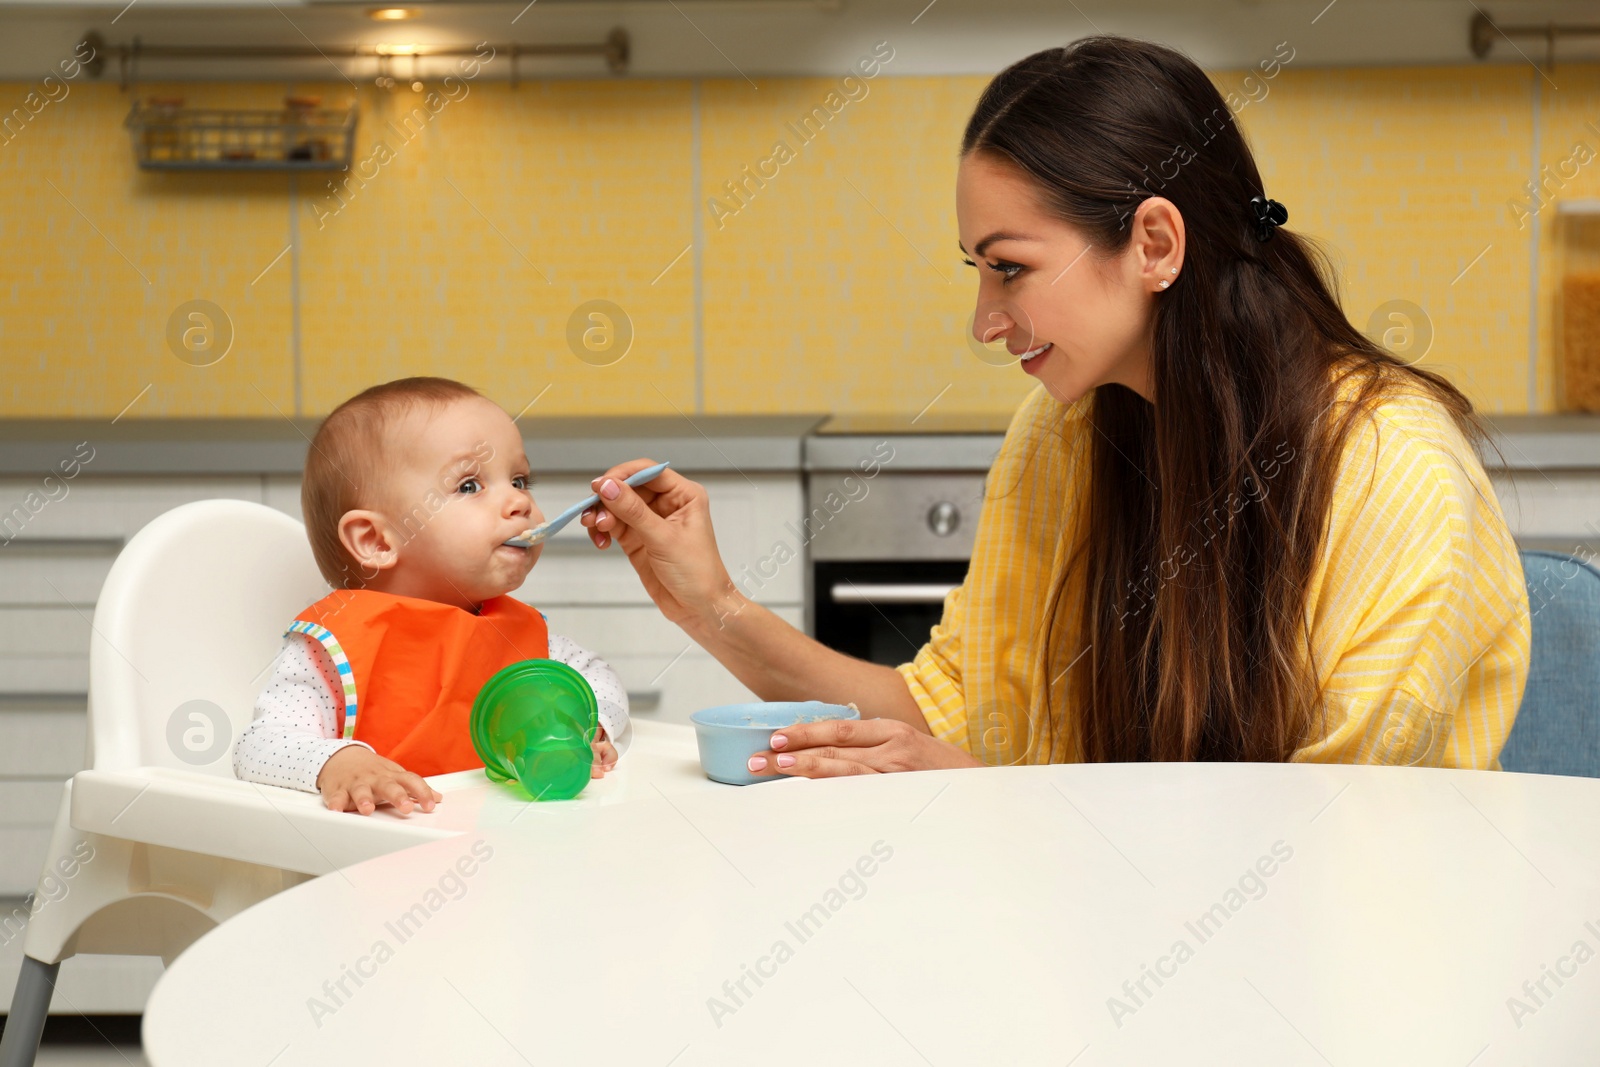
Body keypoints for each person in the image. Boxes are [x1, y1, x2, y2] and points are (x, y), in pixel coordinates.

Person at [578, 36, 1530, 776]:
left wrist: (981, 799)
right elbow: (950, 712)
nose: (986, 320)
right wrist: (711, 605)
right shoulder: (1067, 431)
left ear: (1155, 243)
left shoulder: (1390, 468)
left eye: (1009, 268)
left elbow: (1318, 838)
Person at [234, 377, 630, 814]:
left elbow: (597, 676)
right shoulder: (333, 649)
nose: (519, 503)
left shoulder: (519, 633)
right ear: (376, 540)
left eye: (519, 480)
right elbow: (260, 746)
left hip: (510, 852)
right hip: (374, 860)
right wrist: (341, 763)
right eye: (469, 486)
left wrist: (589, 726)